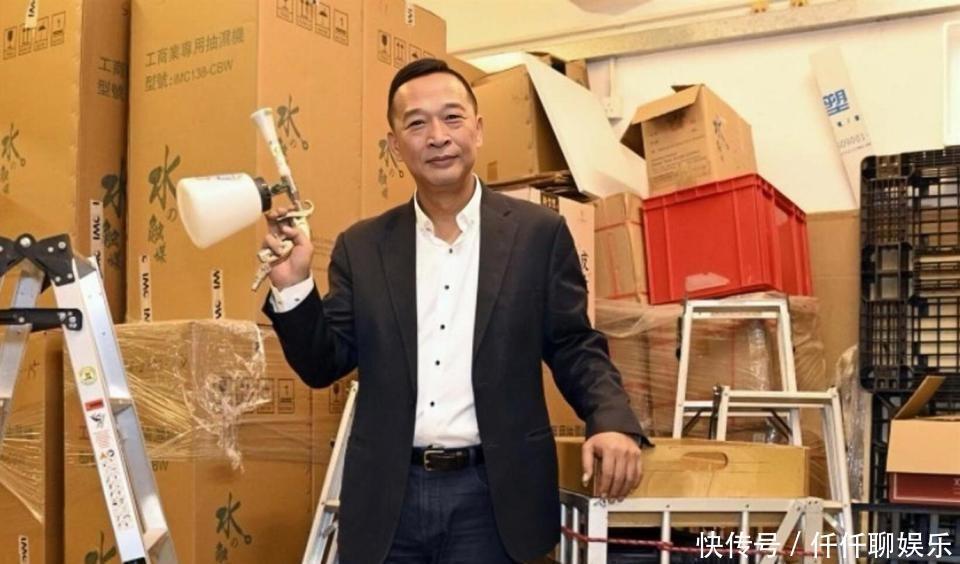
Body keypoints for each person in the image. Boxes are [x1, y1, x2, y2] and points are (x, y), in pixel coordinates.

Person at [263, 58, 647, 564]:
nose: (438, 136)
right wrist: (293, 286)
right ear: (395, 145)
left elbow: (574, 344)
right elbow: (322, 363)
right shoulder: (363, 247)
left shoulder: (537, 235)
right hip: (389, 499)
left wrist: (611, 419)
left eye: (452, 117)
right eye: (417, 123)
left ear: (478, 129)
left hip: (494, 498)